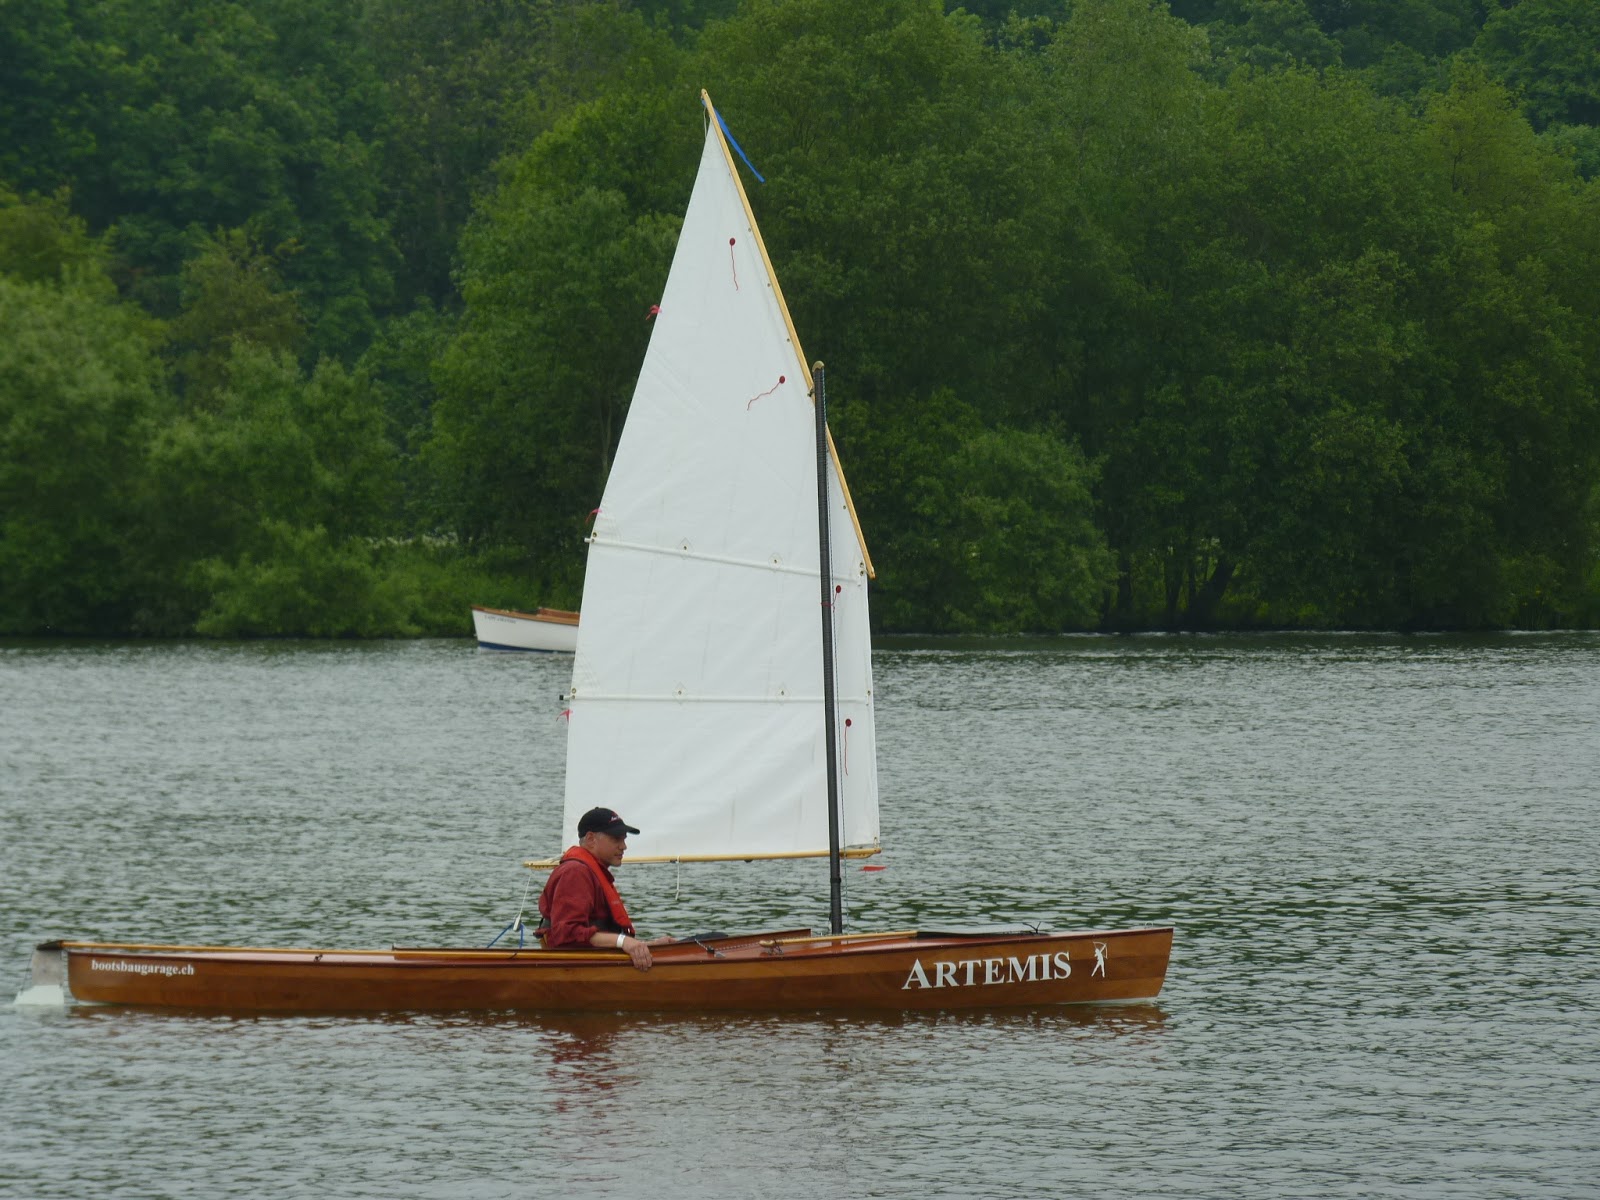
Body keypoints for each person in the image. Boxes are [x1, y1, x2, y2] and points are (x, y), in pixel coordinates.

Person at [537, 807, 664, 971]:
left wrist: (648, 946)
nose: (624, 846)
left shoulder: (592, 871)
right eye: (616, 839)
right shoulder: (575, 872)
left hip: (592, 964)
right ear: (590, 839)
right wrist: (624, 941)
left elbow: (601, 933)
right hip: (575, 970)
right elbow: (567, 934)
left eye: (624, 839)